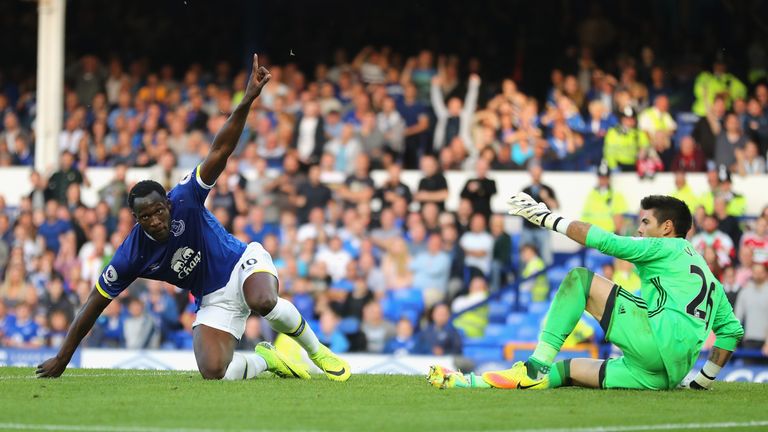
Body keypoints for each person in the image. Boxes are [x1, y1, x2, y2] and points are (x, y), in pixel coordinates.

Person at [36, 55, 351, 382]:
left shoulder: (185, 198)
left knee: (263, 299)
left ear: (167, 205)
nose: (155, 219)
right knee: (213, 372)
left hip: (242, 264)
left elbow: (220, 150)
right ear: (135, 219)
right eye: (146, 216)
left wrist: (246, 101)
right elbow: (93, 304)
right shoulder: (132, 254)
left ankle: (317, 351)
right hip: (213, 298)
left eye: (159, 210)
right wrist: (63, 357)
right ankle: (268, 362)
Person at [428, 194, 743, 391]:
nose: (639, 229)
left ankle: (535, 365)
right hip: (665, 377)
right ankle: (471, 382)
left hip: (653, 344)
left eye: (645, 222)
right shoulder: (707, 276)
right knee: (567, 371)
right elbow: (730, 332)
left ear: (667, 228)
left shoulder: (664, 246)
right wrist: (701, 383)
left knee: (579, 279)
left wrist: (547, 219)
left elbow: (608, 242)